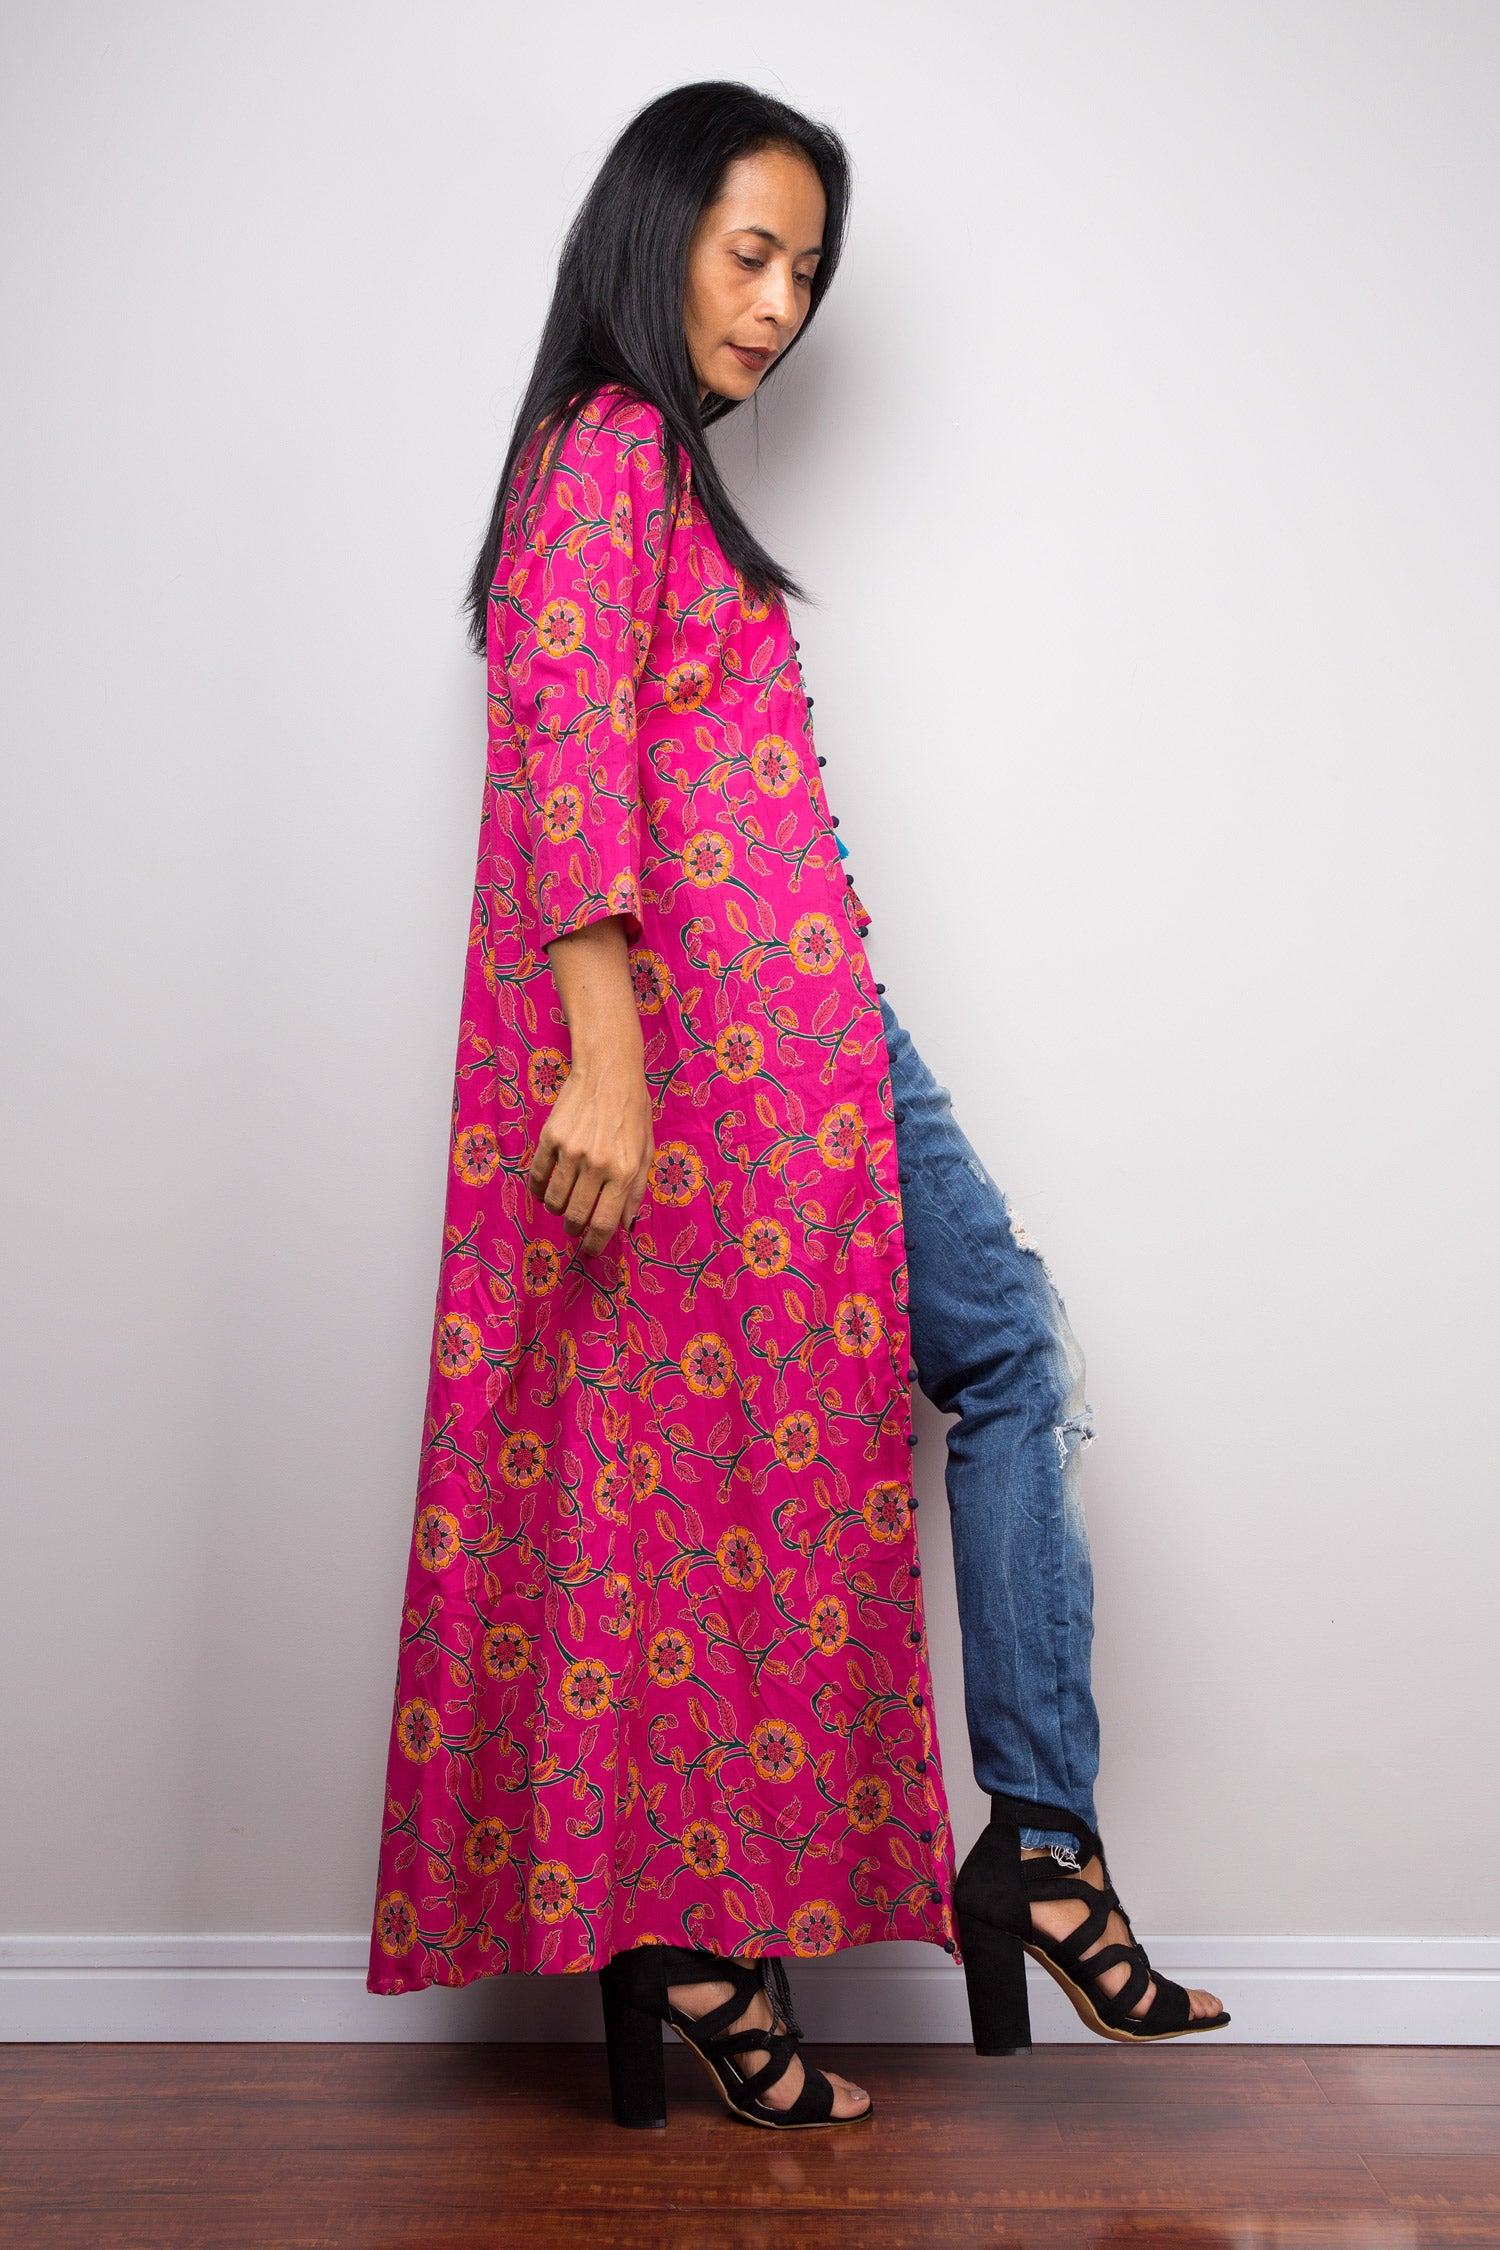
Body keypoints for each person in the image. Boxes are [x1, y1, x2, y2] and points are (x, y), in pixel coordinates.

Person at [365, 80, 1228, 2131]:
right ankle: (986, 1857)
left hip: (806, 1039)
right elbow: (563, 742)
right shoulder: (614, 446)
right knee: (920, 1390)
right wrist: (604, 1050)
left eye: (808, 271)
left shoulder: (648, 471)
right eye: (749, 251)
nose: (781, 303)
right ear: (650, 235)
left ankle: (822, 1913)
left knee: (732, 1481)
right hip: (728, 1056)